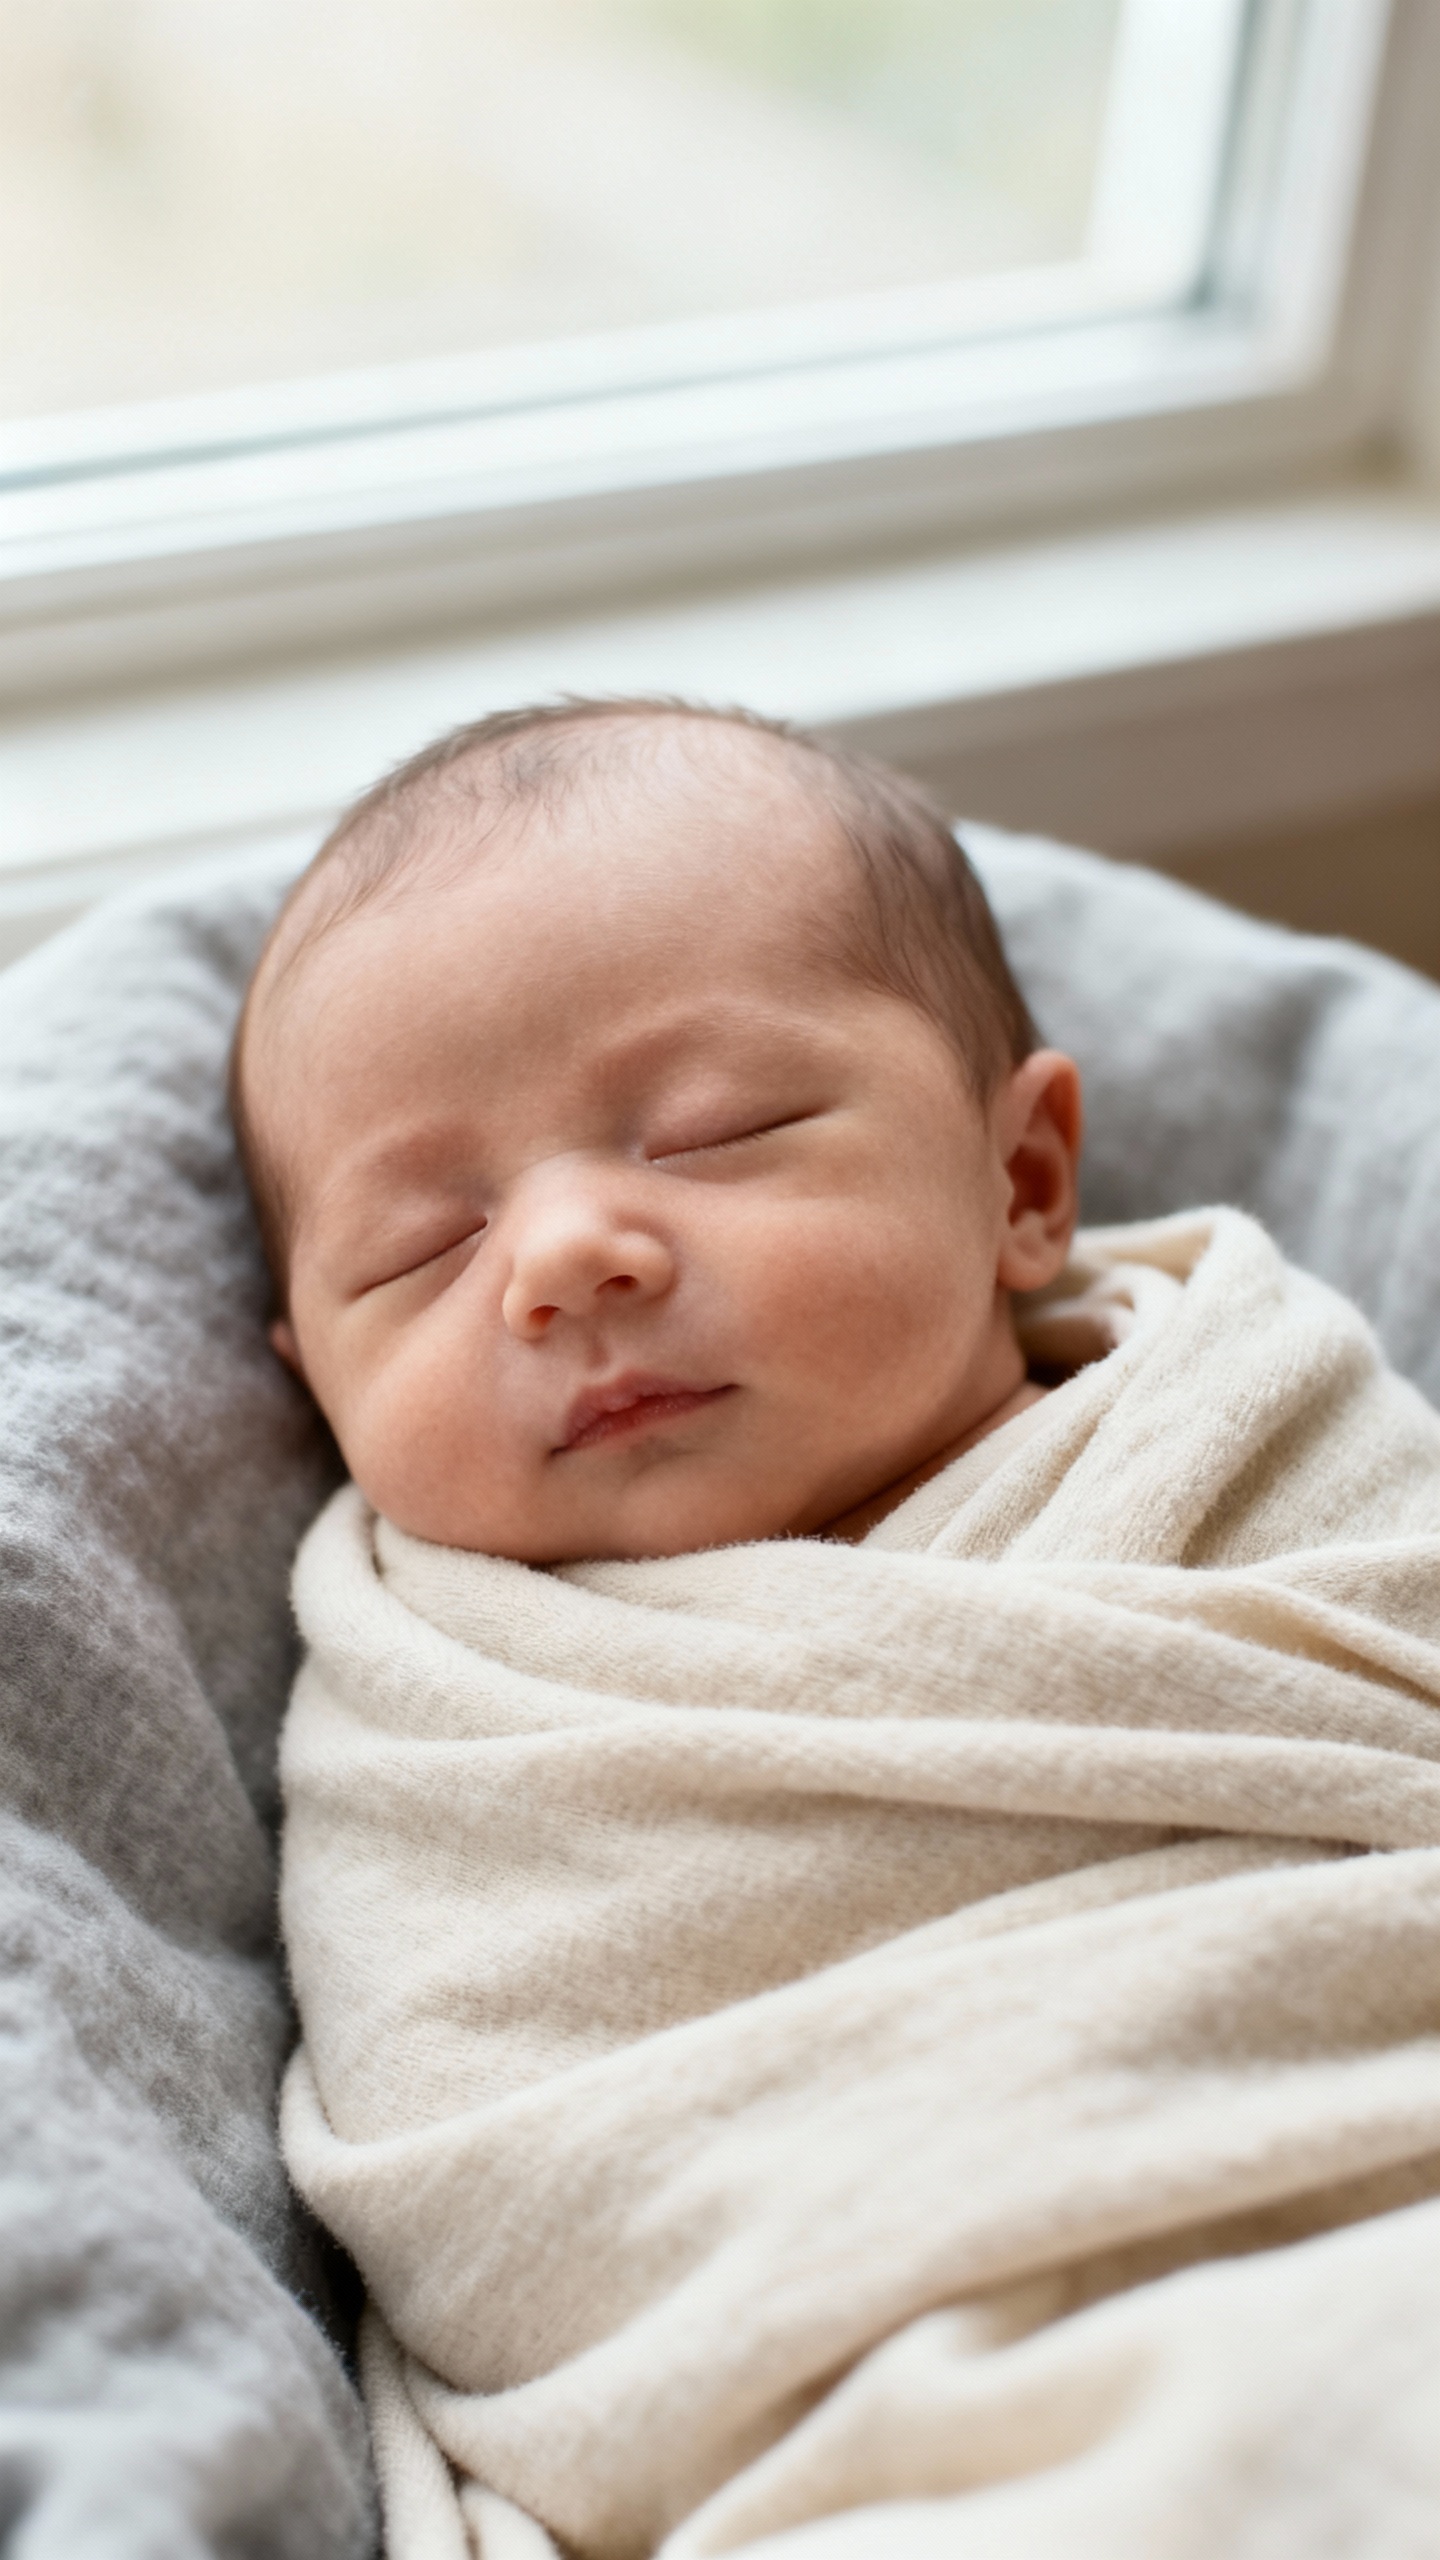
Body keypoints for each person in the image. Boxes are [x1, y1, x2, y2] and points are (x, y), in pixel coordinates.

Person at [240, 698, 1440, 2560]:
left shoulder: (1249, 1434)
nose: (564, 1257)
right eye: (420, 1247)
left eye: (718, 1132)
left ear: (1025, 1184)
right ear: (315, 1389)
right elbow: (498, 2160)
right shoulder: (447, 1715)